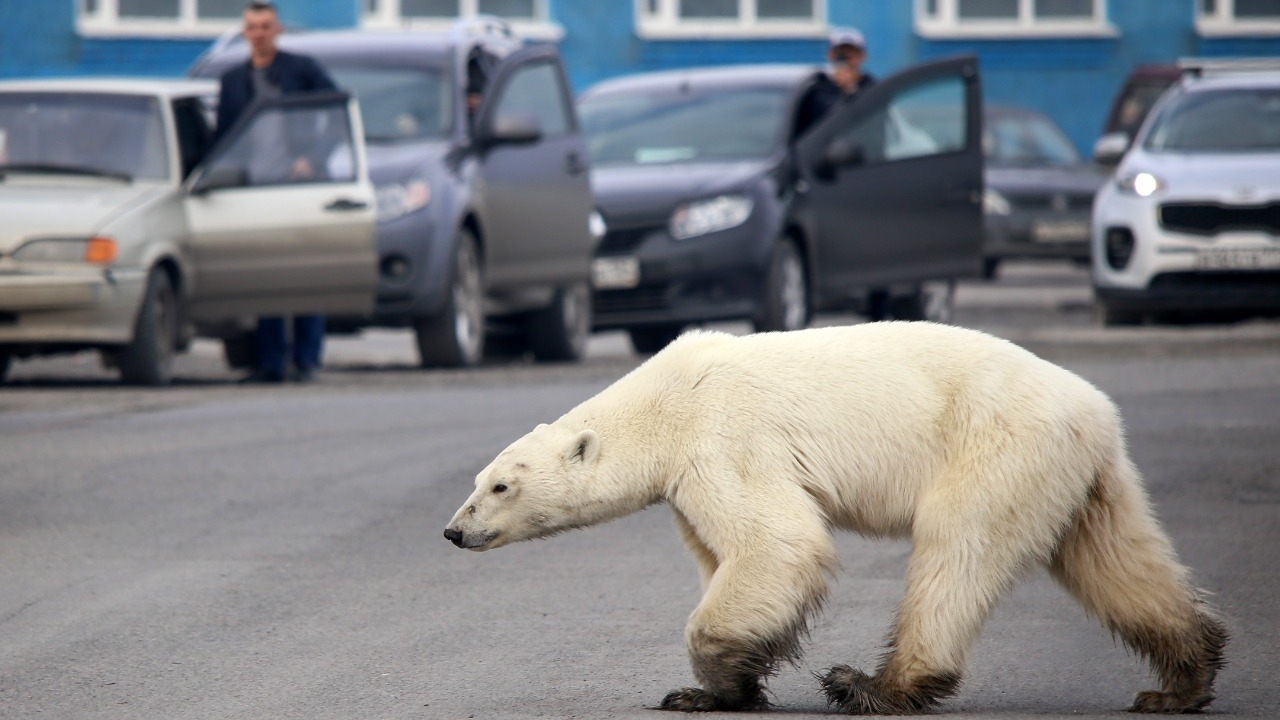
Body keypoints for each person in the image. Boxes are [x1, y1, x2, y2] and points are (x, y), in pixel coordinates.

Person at [215, 1, 338, 383]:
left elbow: (337, 113)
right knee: (265, 277)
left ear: (278, 29)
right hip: (255, 191)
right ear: (244, 32)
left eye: (266, 26)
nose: (259, 33)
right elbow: (223, 139)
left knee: (306, 275)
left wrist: (311, 158)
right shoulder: (233, 80)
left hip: (300, 188)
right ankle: (269, 363)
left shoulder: (301, 69)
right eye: (252, 27)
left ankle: (307, 360)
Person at [796, 27, 895, 322]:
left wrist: (853, 93)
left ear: (861, 57)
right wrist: (839, 95)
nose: (844, 60)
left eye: (849, 54)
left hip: (866, 183)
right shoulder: (819, 92)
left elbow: (874, 133)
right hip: (829, 183)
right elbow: (820, 130)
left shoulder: (872, 90)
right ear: (829, 55)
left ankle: (879, 312)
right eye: (839, 53)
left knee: (877, 249)